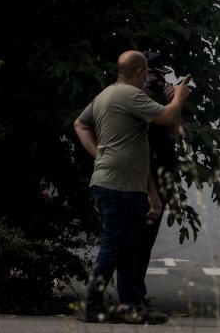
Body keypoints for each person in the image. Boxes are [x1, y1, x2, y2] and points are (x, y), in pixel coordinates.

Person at [73, 50, 190, 324]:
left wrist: (98, 154)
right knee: (114, 246)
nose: (151, 79)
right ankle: (91, 306)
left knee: (127, 247)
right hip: (118, 185)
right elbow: (166, 118)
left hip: (123, 182)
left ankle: (132, 307)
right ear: (139, 72)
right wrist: (179, 97)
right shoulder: (131, 96)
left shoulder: (106, 94)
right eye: (149, 73)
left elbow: (80, 124)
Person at [134, 52, 182, 306]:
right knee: (136, 240)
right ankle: (132, 296)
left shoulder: (161, 104)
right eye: (155, 75)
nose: (159, 81)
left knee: (146, 241)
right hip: (143, 178)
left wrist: (175, 103)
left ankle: (136, 292)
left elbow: (175, 131)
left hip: (160, 177)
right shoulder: (137, 100)